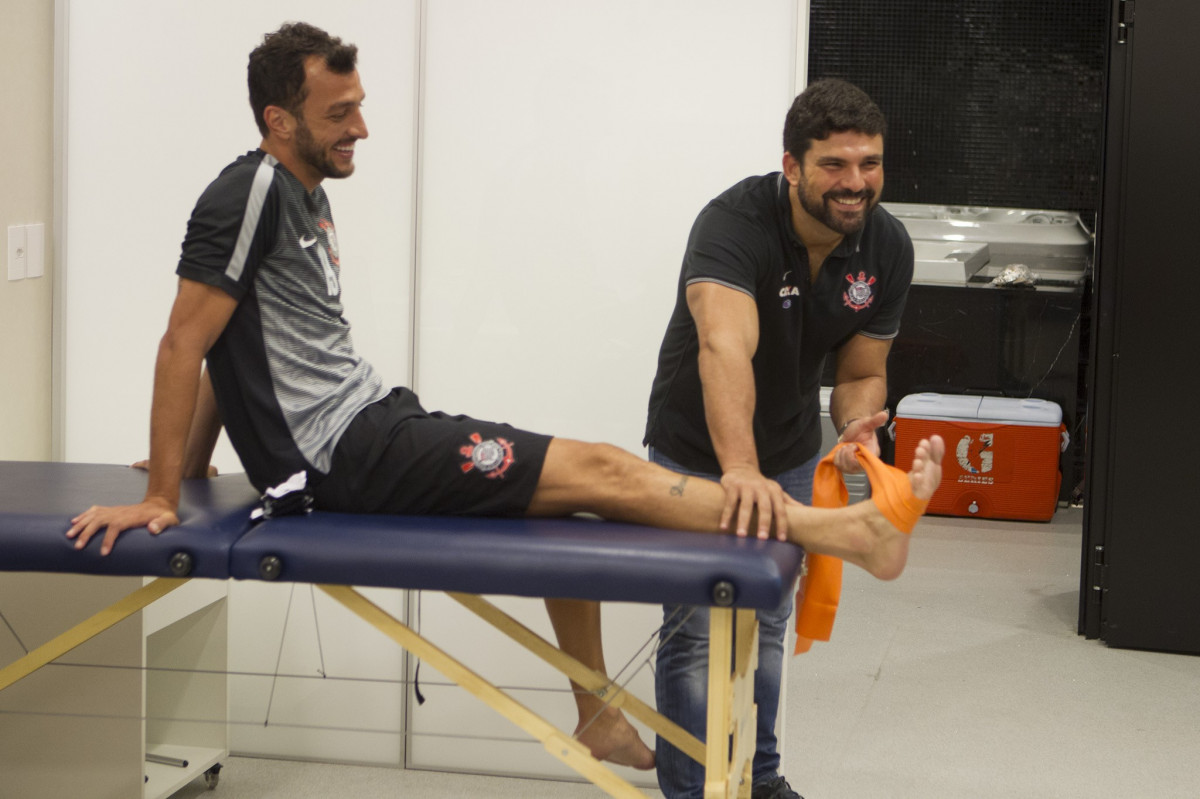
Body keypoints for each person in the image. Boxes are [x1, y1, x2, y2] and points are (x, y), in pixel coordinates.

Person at [66, 26, 943, 777]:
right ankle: (839, 534)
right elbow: (187, 338)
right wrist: (160, 496)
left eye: (360, 106)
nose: (362, 127)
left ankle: (596, 709)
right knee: (599, 470)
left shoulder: (303, 198)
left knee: (584, 487)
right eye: (340, 114)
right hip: (341, 456)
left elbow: (236, 344)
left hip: (371, 427)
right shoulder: (251, 191)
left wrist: (191, 464)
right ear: (277, 120)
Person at [643, 78, 915, 799]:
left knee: (764, 616)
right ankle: (691, 789)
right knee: (697, 630)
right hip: (697, 451)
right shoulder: (734, 224)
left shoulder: (885, 245)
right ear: (792, 166)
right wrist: (739, 469)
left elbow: (862, 369)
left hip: (791, 447)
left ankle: (759, 778)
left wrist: (856, 421)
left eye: (870, 163)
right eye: (834, 165)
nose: (855, 183)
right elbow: (725, 346)